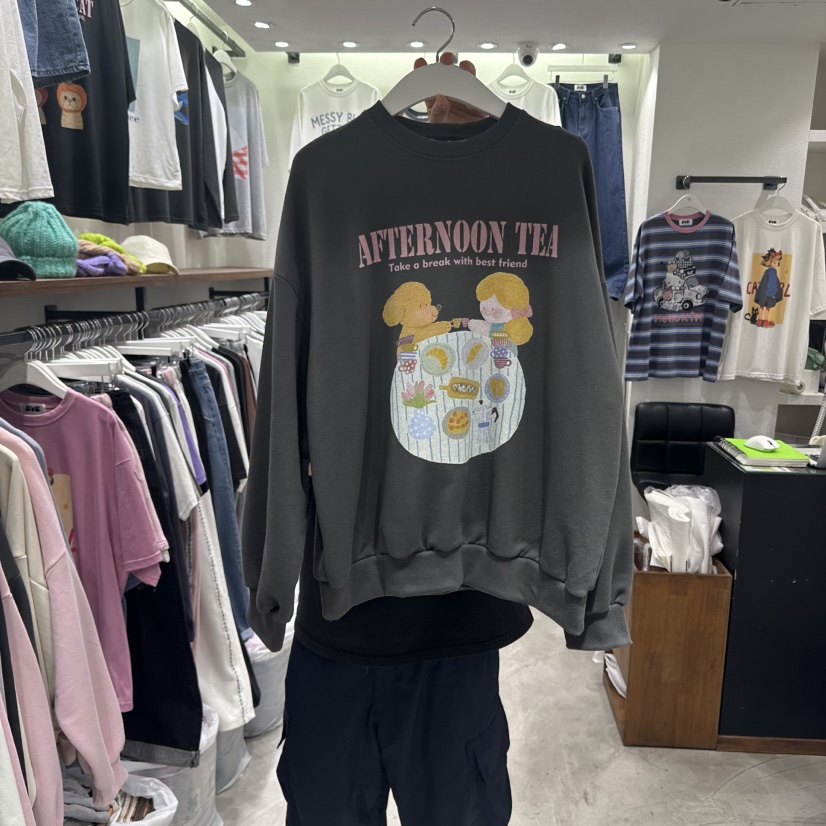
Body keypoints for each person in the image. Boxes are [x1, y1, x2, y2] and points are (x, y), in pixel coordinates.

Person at [274, 54, 531, 825]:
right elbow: (286, 394)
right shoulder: (326, 180)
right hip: (343, 610)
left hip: (457, 621)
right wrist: (273, 570)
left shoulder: (532, 187)